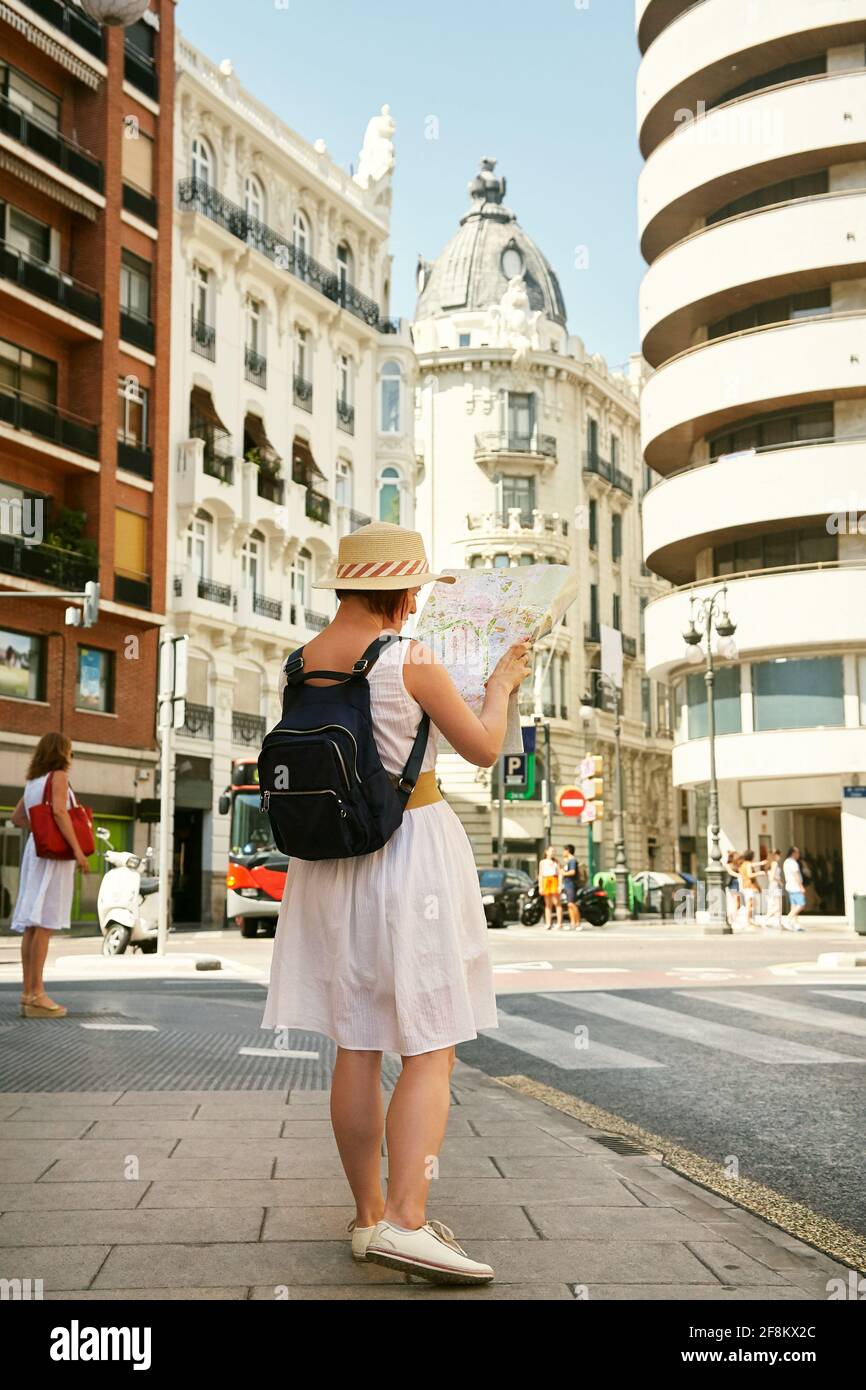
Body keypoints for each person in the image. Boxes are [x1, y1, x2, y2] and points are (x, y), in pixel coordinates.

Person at [261, 521, 532, 1286]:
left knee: (355, 1041)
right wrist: (504, 684)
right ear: (407, 593)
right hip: (409, 851)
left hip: (329, 863)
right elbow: (482, 746)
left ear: (346, 585)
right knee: (430, 1039)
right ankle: (408, 1223)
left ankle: (365, 1217)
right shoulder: (410, 659)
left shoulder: (301, 662)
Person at [10, 732, 90, 1018]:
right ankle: (38, 994)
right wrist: (78, 851)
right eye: (69, 751)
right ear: (62, 752)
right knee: (44, 923)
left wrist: (38, 830)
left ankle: (27, 993)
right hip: (55, 856)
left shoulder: (33, 781)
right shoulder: (58, 777)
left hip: (36, 851)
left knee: (33, 925)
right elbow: (59, 812)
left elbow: (17, 817)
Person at [538, 845, 563, 930]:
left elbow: (560, 874)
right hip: (546, 881)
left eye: (554, 851)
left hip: (554, 880)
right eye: (551, 851)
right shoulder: (542, 862)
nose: (553, 853)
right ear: (547, 852)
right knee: (547, 904)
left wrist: (560, 885)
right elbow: (540, 875)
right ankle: (548, 923)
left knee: (557, 903)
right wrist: (540, 886)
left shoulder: (556, 862)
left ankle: (559, 923)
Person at [782, 846, 806, 931]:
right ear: (793, 853)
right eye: (797, 852)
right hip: (795, 887)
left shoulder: (786, 862)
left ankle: (795, 924)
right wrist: (801, 886)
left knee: (794, 906)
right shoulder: (793, 863)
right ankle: (787, 919)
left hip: (790, 886)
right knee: (801, 905)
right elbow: (796, 875)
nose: (799, 854)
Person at [738, 849, 760, 929]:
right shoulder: (748, 864)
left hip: (745, 886)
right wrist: (759, 873)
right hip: (750, 887)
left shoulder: (743, 864)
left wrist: (762, 863)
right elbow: (750, 875)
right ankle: (748, 921)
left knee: (750, 904)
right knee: (750, 905)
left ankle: (750, 920)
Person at [561, 843, 582, 930]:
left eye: (564, 850)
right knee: (569, 904)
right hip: (567, 884)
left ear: (568, 851)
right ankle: (572, 923)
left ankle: (577, 923)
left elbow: (572, 872)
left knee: (572, 904)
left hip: (571, 884)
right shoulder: (568, 861)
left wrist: (563, 873)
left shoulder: (572, 860)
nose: (563, 852)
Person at [763, 849, 784, 929]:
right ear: (776, 855)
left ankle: (778, 922)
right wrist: (780, 881)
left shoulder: (770, 863)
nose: (780, 857)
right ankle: (766, 919)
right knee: (777, 906)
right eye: (779, 855)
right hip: (775, 886)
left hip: (772, 886)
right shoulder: (774, 863)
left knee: (777, 905)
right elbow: (772, 877)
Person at [725, 850, 741, 925]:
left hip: (735, 883)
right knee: (732, 901)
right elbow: (730, 872)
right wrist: (740, 875)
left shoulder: (736, 865)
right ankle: (731, 917)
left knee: (736, 901)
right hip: (731, 884)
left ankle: (733, 917)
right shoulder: (728, 865)